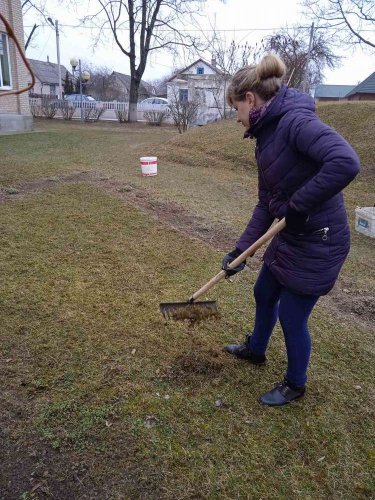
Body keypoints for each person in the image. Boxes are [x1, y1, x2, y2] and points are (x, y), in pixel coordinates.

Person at [222, 54, 360, 407]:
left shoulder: (295, 122)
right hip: (292, 234)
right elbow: (266, 204)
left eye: (235, 108)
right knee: (264, 291)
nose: (236, 118)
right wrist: (241, 251)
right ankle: (256, 349)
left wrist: (298, 205)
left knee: (292, 314)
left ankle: (295, 384)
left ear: (250, 99)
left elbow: (345, 162)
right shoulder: (266, 136)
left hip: (320, 240)